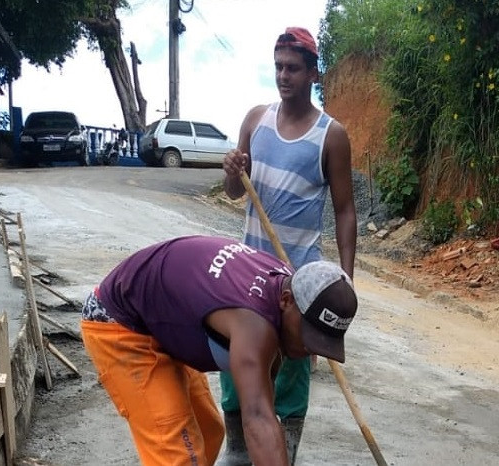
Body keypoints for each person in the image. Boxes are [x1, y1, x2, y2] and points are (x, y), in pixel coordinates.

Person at [80, 235, 358, 466]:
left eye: (321, 342)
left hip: (160, 322)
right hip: (119, 322)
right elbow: (257, 417)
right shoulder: (255, 325)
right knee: (178, 455)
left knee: (208, 432)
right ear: (287, 301)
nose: (310, 349)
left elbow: (264, 404)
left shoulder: (286, 284)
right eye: (309, 336)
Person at [219, 26, 357, 465]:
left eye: (293, 69)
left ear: (314, 73)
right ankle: (239, 454)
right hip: (248, 279)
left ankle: (287, 455)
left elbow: (345, 211)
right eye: (278, 67)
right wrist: (232, 169)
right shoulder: (255, 121)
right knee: (238, 371)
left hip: (298, 286)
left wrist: (345, 282)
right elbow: (234, 193)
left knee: (293, 379)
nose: (283, 76)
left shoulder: (330, 136)